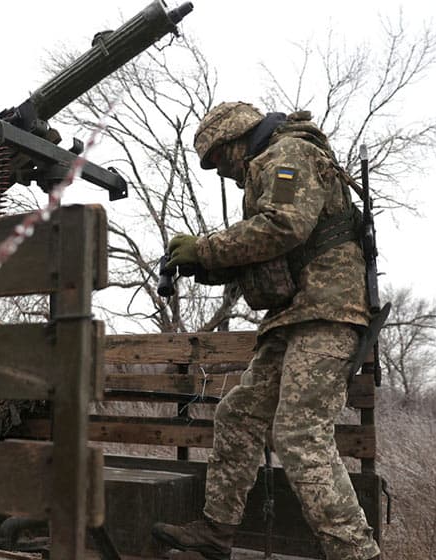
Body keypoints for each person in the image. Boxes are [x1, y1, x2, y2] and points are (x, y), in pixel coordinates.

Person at [151, 102, 380, 560]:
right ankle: (216, 533)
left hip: (326, 313)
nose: (222, 174)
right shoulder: (270, 165)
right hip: (293, 317)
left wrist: (205, 248)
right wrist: (203, 265)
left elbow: (284, 226)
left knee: (300, 434)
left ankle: (358, 554)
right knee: (238, 414)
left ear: (235, 140)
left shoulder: (288, 153)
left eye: (218, 160)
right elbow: (269, 254)